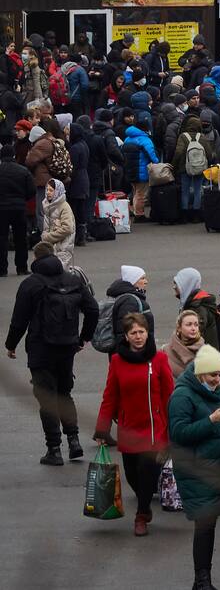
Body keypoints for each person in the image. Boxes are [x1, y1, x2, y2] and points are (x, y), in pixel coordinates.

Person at [169, 345, 220, 590]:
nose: (218, 380)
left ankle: (202, 580)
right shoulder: (182, 396)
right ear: (199, 374)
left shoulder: (216, 390)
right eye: (212, 376)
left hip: (215, 466)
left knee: (209, 523)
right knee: (204, 524)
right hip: (195, 469)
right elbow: (178, 433)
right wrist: (209, 421)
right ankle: (202, 581)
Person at [4, 241, 98, 465]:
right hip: (67, 346)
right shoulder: (74, 280)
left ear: (35, 259)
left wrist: (11, 345)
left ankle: (54, 449)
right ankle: (74, 441)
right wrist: (83, 337)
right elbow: (92, 309)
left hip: (40, 348)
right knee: (65, 393)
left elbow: (19, 320)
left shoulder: (31, 284)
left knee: (47, 397)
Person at [94, 312, 173, 535]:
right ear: (126, 336)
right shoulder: (118, 361)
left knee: (148, 471)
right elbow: (110, 396)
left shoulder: (159, 359)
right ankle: (144, 503)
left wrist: (172, 426)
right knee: (133, 475)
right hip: (129, 428)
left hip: (155, 430)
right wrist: (102, 428)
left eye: (141, 332)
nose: (138, 336)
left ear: (148, 333)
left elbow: (169, 395)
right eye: (133, 333)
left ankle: (141, 515)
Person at [0, 144, 33, 275]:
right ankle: (22, 267)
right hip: (19, 207)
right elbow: (31, 190)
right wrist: (22, 198)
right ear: (13, 155)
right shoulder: (23, 170)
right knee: (21, 238)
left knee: (1, 238)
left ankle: (2, 269)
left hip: (1, 208)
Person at [40, 177, 74, 268]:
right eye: (47, 190)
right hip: (50, 247)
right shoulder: (47, 206)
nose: (48, 192)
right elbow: (46, 227)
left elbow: (68, 228)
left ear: (58, 191)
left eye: (51, 190)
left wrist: (48, 237)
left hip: (63, 246)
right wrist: (44, 236)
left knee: (61, 271)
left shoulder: (64, 206)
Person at [166, 309, 205, 378]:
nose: (193, 328)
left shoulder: (206, 352)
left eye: (196, 325)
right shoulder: (165, 351)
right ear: (179, 328)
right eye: (189, 325)